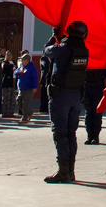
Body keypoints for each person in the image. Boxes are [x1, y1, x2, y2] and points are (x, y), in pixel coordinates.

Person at [41, 22, 89, 184]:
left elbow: (46, 50)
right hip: (75, 95)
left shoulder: (63, 48)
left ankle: (63, 171)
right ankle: (71, 170)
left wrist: (55, 37)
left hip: (61, 95)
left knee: (60, 134)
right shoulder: (84, 50)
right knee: (71, 134)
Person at [82, 57, 106, 143]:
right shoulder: (85, 58)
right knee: (88, 112)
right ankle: (89, 136)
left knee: (97, 112)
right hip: (87, 87)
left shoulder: (101, 58)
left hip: (98, 86)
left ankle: (95, 136)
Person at [13, 51, 38, 123]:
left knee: (26, 103)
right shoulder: (21, 66)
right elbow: (15, 72)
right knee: (19, 100)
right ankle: (29, 113)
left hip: (29, 88)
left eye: (22, 60)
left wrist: (35, 87)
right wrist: (19, 72)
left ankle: (24, 118)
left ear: (27, 60)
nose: (21, 61)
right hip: (21, 88)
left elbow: (35, 78)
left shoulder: (31, 68)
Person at [0, 51, 17, 120]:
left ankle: (10, 113)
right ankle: (5, 113)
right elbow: (3, 69)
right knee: (6, 98)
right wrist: (11, 67)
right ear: (5, 56)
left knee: (12, 99)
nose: (9, 56)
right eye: (7, 55)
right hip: (6, 83)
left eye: (10, 55)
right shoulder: (4, 63)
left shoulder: (14, 63)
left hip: (13, 83)